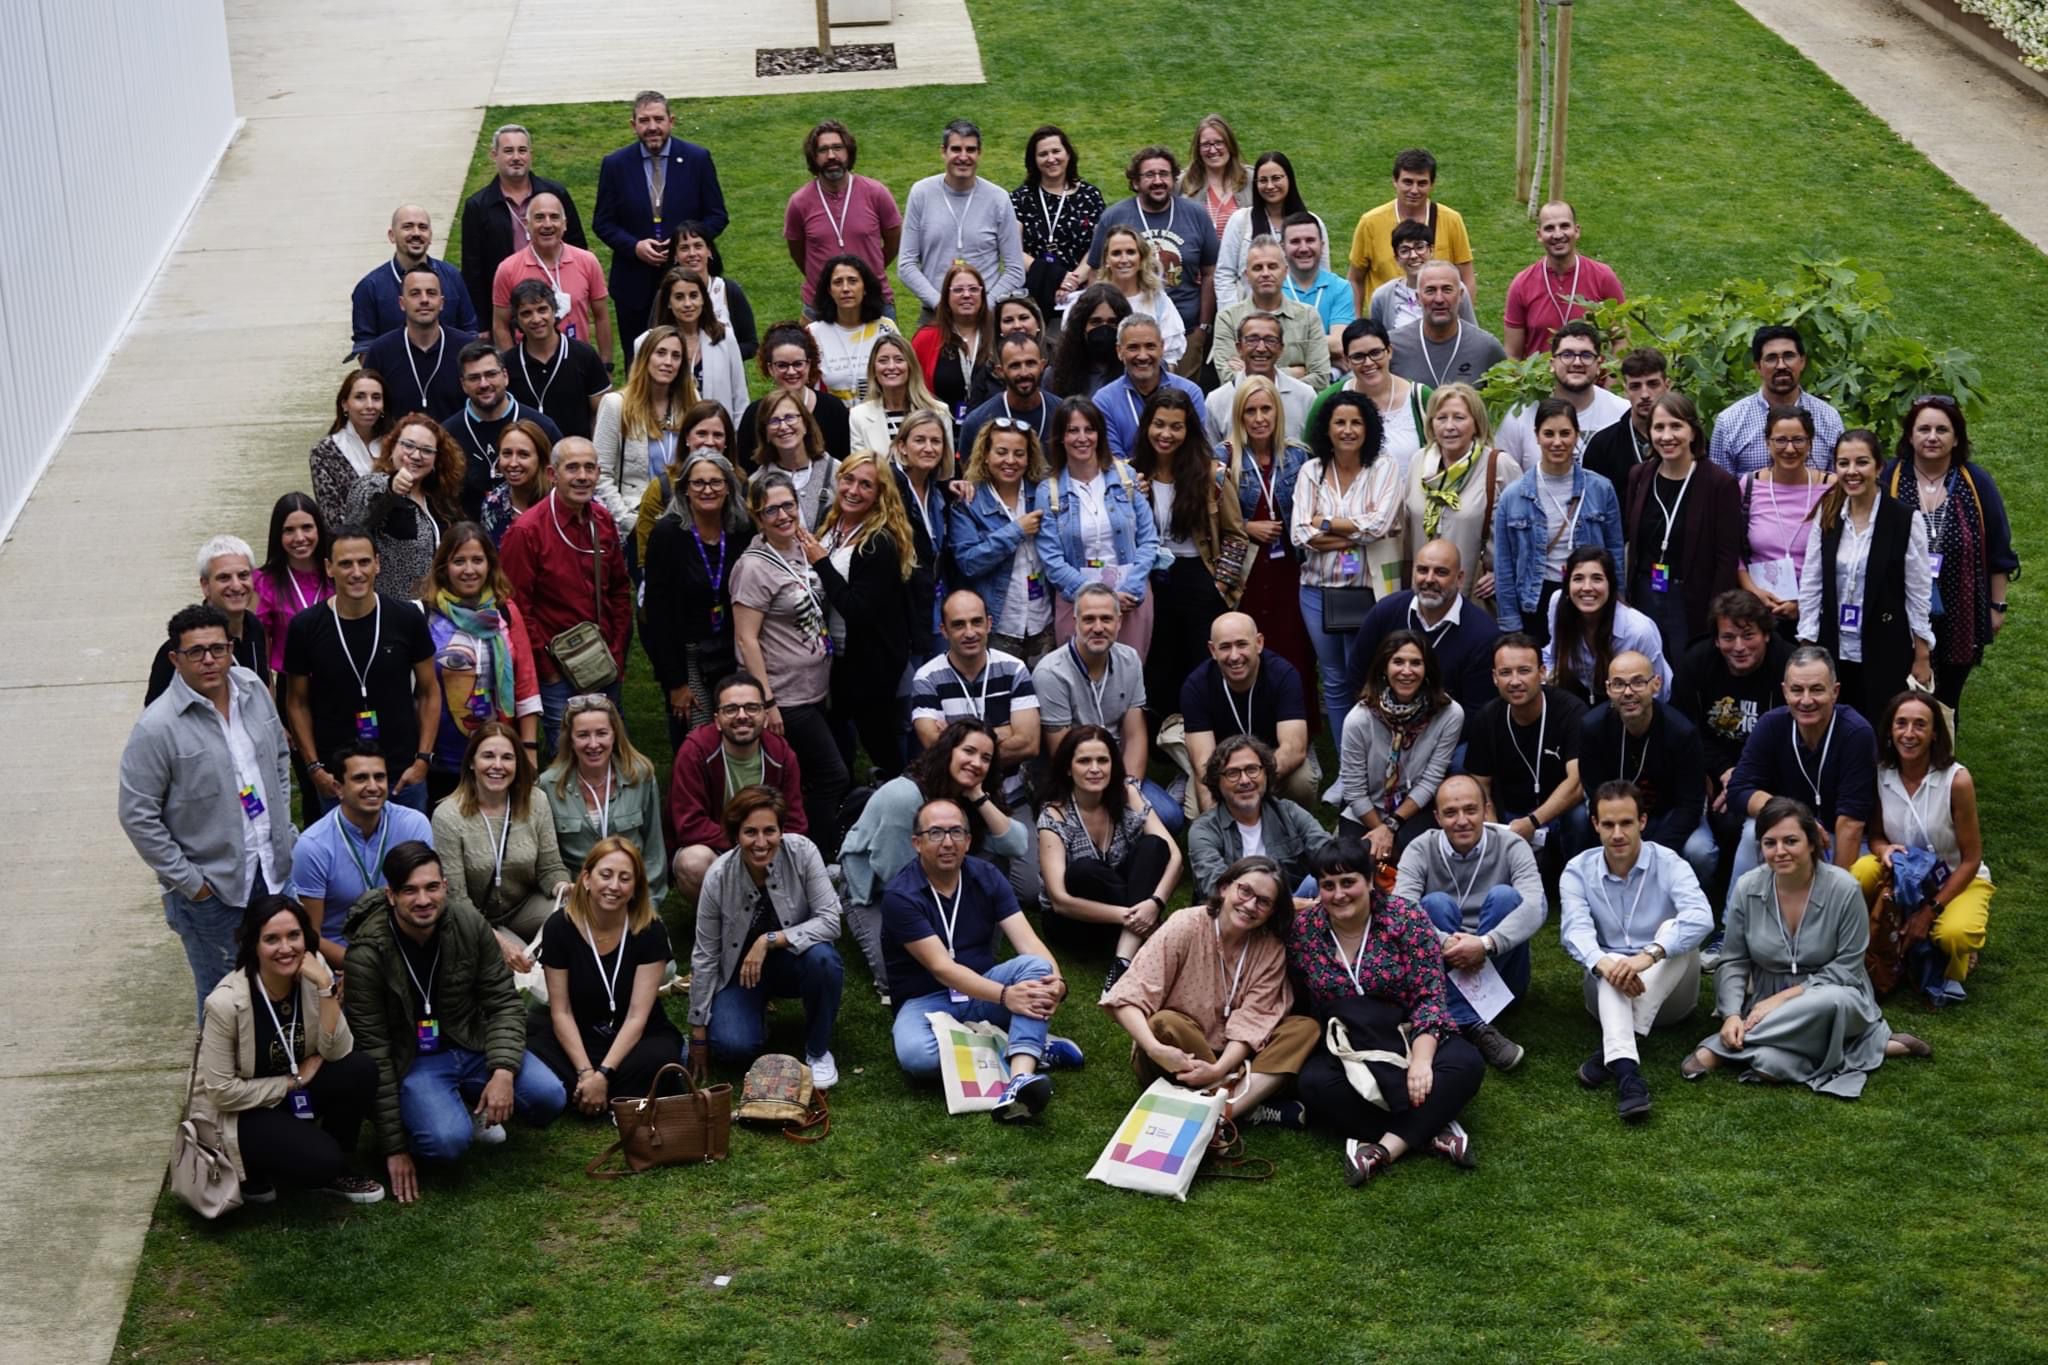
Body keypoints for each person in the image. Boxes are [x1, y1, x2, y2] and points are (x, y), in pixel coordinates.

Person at [342, 841, 565, 1203]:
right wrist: (394, 1148)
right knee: (446, 1142)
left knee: (549, 1096)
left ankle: (464, 1101)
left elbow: (504, 1002)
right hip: (414, 1060)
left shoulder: (468, 922)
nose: (423, 900)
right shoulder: (367, 953)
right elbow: (375, 1052)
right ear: (390, 895)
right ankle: (435, 1116)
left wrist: (503, 1071)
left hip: (472, 1041)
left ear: (445, 886)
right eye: (410, 890)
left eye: (432, 887)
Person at [121, 604, 297, 1020]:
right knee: (223, 1002)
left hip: (274, 871)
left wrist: (285, 830)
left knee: (284, 989)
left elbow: (278, 759)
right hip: (214, 891)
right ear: (175, 659)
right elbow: (137, 815)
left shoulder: (253, 689)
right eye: (196, 652)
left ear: (231, 648)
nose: (209, 660)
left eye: (218, 649)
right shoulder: (157, 727)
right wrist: (192, 883)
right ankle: (218, 1067)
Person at [1686, 797, 1928, 1094]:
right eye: (1770, 843)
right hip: (1766, 996)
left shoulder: (1845, 888)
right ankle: (1869, 1046)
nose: (1780, 851)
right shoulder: (1747, 887)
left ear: (1812, 843)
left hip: (1836, 994)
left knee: (1832, 1001)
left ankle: (1722, 1049)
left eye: (1791, 841)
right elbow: (1734, 960)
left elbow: (1848, 968)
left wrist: (1782, 999)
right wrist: (1732, 1014)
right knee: (1770, 1066)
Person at [1286, 837, 1485, 1184]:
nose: (1338, 894)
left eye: (1348, 882)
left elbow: (1429, 996)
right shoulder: (1305, 931)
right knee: (1315, 1083)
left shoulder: (1406, 918)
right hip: (1347, 1044)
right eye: (1328, 885)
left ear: (1368, 880)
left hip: (1405, 1033)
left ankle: (1382, 1148)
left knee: (1466, 1063)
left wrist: (1421, 1062)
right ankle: (1432, 1127)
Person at [882, 795, 1084, 1124]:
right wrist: (1005, 996)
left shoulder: (986, 875)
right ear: (917, 843)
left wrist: (1057, 983)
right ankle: (1028, 1044)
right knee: (917, 1057)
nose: (948, 842)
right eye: (936, 833)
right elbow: (942, 968)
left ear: (968, 840)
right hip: (925, 1001)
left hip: (982, 989)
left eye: (956, 832)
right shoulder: (900, 895)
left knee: (1038, 968)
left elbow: (1028, 942)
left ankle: (1019, 1078)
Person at [190, 896, 384, 1205]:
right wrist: (293, 1082)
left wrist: (326, 987)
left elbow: (338, 1052)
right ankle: (252, 1167)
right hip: (245, 1111)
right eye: (272, 939)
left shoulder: (314, 973)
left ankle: (335, 1166)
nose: (286, 948)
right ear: (253, 944)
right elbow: (221, 1092)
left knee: (359, 1069)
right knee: (321, 1160)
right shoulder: (225, 1004)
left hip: (292, 1095)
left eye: (294, 935)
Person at [1104, 853, 1321, 1124]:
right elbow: (1128, 997)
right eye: (1245, 891)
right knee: (1164, 1023)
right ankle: (1242, 1100)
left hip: (1233, 1054)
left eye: (1263, 902)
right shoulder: (1186, 924)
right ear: (1224, 887)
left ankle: (1222, 1109)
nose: (1250, 905)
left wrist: (1218, 1068)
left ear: (1272, 911)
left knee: (1304, 1028)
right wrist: (1154, 1049)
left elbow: (1253, 1020)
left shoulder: (1270, 948)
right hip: (1181, 1052)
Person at [1560, 781, 1714, 1121]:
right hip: (1606, 993)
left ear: (1642, 821)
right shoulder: (1577, 870)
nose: (1618, 834)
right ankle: (1628, 1073)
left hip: (1672, 995)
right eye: (1608, 824)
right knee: (1609, 960)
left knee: (1676, 931)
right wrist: (1607, 964)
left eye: (1626, 823)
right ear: (1595, 824)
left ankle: (1613, 1053)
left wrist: (1648, 956)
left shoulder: (1670, 862)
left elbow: (1702, 917)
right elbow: (1575, 931)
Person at [841, 720, 1034, 991]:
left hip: (941, 876)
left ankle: (980, 956)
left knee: (997, 859)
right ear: (948, 751)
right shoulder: (904, 796)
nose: (976, 763)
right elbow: (897, 877)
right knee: (897, 977)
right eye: (968, 751)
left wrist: (978, 796)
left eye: (986, 758)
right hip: (878, 888)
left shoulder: (971, 795)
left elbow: (1017, 845)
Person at [690, 786, 844, 1085]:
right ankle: (754, 1019)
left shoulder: (803, 852)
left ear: (781, 831)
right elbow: (705, 954)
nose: (761, 842)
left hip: (795, 960)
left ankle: (818, 1050)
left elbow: (830, 921)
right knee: (731, 1047)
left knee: (824, 959)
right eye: (750, 832)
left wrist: (769, 940)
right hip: (741, 973)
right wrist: (697, 1028)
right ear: (736, 835)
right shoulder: (718, 877)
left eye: (769, 831)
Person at [731, 472, 851, 849]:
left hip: (818, 689)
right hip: (785, 696)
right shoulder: (753, 567)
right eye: (772, 510)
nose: (783, 515)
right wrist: (767, 702)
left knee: (807, 777)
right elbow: (746, 639)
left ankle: (801, 846)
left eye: (789, 505)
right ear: (758, 517)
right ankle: (817, 852)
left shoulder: (804, 547)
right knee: (832, 774)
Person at [282, 528, 439, 817]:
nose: (356, 572)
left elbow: (429, 691)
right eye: (345, 564)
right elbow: (297, 702)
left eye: (364, 562)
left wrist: (422, 760)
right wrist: (314, 768)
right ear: (329, 568)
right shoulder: (305, 627)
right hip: (338, 779)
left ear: (377, 563)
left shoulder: (406, 618)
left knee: (410, 846)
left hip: (402, 775)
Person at [1394, 775, 1546, 1071]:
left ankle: (1445, 1015)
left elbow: (1536, 905)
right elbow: (1401, 910)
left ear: (1486, 810)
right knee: (1435, 904)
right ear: (1437, 817)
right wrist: (1445, 942)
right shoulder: (1420, 848)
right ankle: (1475, 1024)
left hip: (1503, 972)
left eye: (1470, 810)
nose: (1462, 820)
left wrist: (1486, 944)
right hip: (1444, 961)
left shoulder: (1512, 844)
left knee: (1506, 898)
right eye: (1451, 813)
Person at [1881, 394, 2019, 718]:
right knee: (1898, 696)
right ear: (1910, 435)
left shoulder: (1976, 482)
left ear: (1956, 438)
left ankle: (1944, 747)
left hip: (1961, 612)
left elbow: (1999, 549)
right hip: (1899, 609)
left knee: (1946, 700)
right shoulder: (1890, 478)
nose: (1932, 437)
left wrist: (1997, 606)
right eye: (1923, 429)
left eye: (1942, 430)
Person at [1850, 692, 1993, 996]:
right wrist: (1883, 850)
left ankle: (1959, 951)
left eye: (1920, 725)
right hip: (1902, 876)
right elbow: (1876, 835)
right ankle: (1872, 945)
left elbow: (1971, 859)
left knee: (1953, 935)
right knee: (1861, 871)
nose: (1909, 733)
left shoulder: (1957, 780)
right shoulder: (1880, 773)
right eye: (1901, 723)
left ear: (1935, 733)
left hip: (1957, 879)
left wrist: (1929, 911)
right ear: (1890, 730)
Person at [531, 837, 687, 1113]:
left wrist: (603, 1073)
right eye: (606, 875)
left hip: (635, 1037)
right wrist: (585, 1072)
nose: (614, 886)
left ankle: (594, 1093)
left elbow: (637, 1017)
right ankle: (606, 1093)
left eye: (625, 878)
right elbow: (561, 1012)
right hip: (580, 1035)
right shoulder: (559, 927)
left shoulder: (650, 930)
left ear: (636, 887)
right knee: (536, 1052)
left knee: (659, 1058)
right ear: (586, 879)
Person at [498, 438, 632, 751]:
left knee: (610, 753)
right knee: (568, 758)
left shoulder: (603, 521)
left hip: (603, 663)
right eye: (572, 468)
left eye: (589, 468)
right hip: (557, 671)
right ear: (552, 474)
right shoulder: (527, 531)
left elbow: (619, 591)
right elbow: (516, 608)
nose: (582, 476)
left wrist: (616, 652)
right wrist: (548, 671)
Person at [1724, 646, 1880, 906]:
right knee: (1754, 831)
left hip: (1838, 839)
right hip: (1791, 833)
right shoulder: (1771, 725)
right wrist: (1794, 818)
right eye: (1797, 690)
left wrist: (1833, 898)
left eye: (1816, 689)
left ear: (1835, 692)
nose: (1806, 700)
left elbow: (1851, 824)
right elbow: (1738, 789)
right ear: (1785, 691)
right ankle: (1734, 921)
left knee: (1861, 872)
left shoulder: (1856, 733)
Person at [1798, 429, 1934, 722]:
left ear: (1879, 467)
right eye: (1843, 463)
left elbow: (1918, 591)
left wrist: (1922, 653)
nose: (1852, 471)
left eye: (1861, 462)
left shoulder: (1904, 519)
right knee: (1835, 726)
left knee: (1880, 727)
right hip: (1834, 645)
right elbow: (1812, 581)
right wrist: (1807, 642)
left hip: (1885, 645)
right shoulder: (1828, 512)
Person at [1291, 390, 1402, 741]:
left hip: (1368, 590)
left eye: (1356, 422)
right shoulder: (1311, 471)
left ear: (1368, 428)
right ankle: (1345, 760)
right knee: (1334, 679)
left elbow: (1380, 525)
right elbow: (1299, 533)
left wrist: (1325, 523)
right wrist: (1356, 536)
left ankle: (1372, 754)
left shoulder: (1383, 467)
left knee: (1365, 676)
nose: (1348, 430)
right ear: (1327, 428)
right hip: (1316, 590)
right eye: (1340, 422)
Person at [1037, 725, 1182, 987]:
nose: (1095, 769)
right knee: (1084, 870)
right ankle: (1148, 935)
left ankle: (1122, 961)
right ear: (1068, 768)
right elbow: (1060, 901)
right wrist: (1133, 916)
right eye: (1084, 761)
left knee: (1154, 845)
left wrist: (1155, 903)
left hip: (1125, 904)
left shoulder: (1128, 794)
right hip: (1076, 921)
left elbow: (1174, 856)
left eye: (1103, 760)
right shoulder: (1054, 815)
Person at [802, 449, 917, 780]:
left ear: (880, 493)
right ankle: (843, 797)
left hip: (870, 664)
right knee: (838, 738)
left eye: (866, 485)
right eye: (848, 480)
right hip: (835, 655)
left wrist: (821, 563)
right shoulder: (832, 522)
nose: (853, 490)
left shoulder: (878, 542)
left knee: (878, 741)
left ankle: (903, 795)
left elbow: (857, 610)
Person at [1127, 387, 1243, 713]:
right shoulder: (1129, 474)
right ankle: (1158, 732)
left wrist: (1220, 585)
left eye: (1176, 426)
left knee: (1200, 665)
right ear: (1146, 426)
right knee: (1155, 664)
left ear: (1188, 430)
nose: (1166, 434)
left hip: (1198, 577)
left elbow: (1236, 535)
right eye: (1159, 424)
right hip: (1148, 579)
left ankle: (1202, 728)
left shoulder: (1211, 474)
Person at [1032, 583, 1180, 828]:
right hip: (1073, 776)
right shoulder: (1051, 673)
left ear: (1119, 622)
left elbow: (1135, 736)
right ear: (1075, 622)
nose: (1098, 628)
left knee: (1169, 816)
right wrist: (1101, 798)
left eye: (1106, 619)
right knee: (1095, 824)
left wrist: (1128, 790)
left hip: (1119, 770)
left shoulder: (1129, 660)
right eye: (1089, 619)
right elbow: (1062, 752)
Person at [593, 90, 728, 354]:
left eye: (658, 119)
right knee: (639, 357)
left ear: (671, 121)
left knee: (692, 353)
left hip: (688, 282)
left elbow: (717, 215)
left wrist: (685, 244)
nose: (652, 127)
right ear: (633, 125)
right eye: (644, 120)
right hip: (634, 284)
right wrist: (634, 247)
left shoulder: (697, 159)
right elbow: (603, 222)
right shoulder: (615, 165)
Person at [419, 523, 541, 800]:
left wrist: (529, 750)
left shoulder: (505, 611)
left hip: (499, 757)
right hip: (441, 758)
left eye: (477, 560)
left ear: (489, 564)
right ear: (444, 566)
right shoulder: (425, 615)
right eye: (459, 561)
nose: (469, 570)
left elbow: (526, 684)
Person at [1216, 377, 1316, 711]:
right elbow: (1211, 521)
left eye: (1266, 409)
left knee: (1293, 645)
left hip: (1289, 569)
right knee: (1248, 645)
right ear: (1239, 416)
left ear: (1278, 412)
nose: (1259, 418)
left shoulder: (1298, 456)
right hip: (1247, 572)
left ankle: (1298, 721)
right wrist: (1247, 527)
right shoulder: (1224, 456)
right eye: (1250, 411)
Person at [434, 722, 568, 970]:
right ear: (472, 762)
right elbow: (456, 901)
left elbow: (550, 867)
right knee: (520, 964)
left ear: (517, 764)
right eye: (488, 756)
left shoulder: (536, 801)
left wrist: (564, 887)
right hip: (473, 916)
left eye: (507, 757)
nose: (498, 765)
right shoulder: (448, 816)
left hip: (523, 907)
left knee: (574, 918)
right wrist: (500, 942)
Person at [1492, 399, 1627, 646]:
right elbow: (1504, 565)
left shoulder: (1601, 489)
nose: (1557, 442)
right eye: (1549, 434)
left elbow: (1615, 551)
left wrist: (1618, 602)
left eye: (1565, 433)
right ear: (1536, 436)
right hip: (1536, 597)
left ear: (1576, 435)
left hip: (1589, 594)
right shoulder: (1513, 496)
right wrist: (1511, 623)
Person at [1578, 650, 1716, 890]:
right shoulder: (1592, 728)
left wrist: (1651, 852)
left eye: (1638, 682)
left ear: (1656, 684)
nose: (1628, 692)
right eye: (1619, 684)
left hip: (1670, 815)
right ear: (1608, 689)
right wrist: (1623, 831)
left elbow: (1690, 806)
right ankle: (1593, 887)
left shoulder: (1682, 733)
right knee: (1580, 817)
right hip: (1618, 817)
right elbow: (1595, 793)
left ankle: (1687, 899)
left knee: (1700, 851)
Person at [1677, 590, 1792, 874]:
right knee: (1717, 824)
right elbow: (1685, 730)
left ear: (1766, 634)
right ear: (1716, 640)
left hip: (1770, 777)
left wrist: (1744, 779)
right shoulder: (1696, 662)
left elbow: (1793, 737)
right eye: (1728, 638)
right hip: (1712, 773)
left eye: (1748, 635)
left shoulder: (1789, 665)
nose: (1739, 647)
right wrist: (1723, 770)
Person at [290, 742, 434, 967]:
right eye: (360, 778)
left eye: (379, 777)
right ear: (338, 788)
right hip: (341, 958)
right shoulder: (313, 846)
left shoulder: (413, 825)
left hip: (405, 949)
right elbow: (310, 935)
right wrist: (363, 968)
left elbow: (427, 899)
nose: (373, 787)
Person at [1624, 390, 1742, 665]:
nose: (1667, 436)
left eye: (1676, 426)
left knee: (1686, 670)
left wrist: (1717, 613)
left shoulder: (1719, 483)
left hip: (1692, 599)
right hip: (1645, 591)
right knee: (1646, 667)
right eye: (1659, 427)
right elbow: (1631, 537)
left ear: (1693, 431)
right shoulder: (1639, 476)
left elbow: (1727, 558)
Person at [667, 671, 809, 900]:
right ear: (717, 720)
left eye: (752, 708)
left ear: (765, 716)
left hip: (767, 844)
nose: (742, 716)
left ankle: (768, 911)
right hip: (715, 846)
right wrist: (745, 842)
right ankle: (720, 917)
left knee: (800, 852)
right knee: (693, 862)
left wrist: (763, 844)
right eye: (731, 709)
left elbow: (795, 822)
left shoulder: (782, 754)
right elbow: (689, 824)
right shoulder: (694, 752)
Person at [643, 449, 752, 740]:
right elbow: (657, 614)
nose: (707, 490)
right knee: (698, 736)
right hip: (689, 655)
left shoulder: (742, 530)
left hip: (733, 650)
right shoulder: (667, 535)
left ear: (728, 487)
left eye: (716, 482)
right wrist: (675, 682)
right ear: (685, 490)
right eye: (698, 483)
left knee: (738, 730)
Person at [1036, 398, 1159, 649]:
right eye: (1073, 430)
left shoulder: (1126, 477)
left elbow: (1149, 540)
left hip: (1130, 599)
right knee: (1079, 670)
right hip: (1077, 604)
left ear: (1100, 434)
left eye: (1089, 429)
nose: (1082, 438)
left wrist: (1131, 588)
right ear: (1060, 437)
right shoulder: (1048, 491)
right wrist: (1097, 598)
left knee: (1128, 668)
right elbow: (1051, 558)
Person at [1082, 146, 1220, 365]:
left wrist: (1203, 328)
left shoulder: (1196, 215)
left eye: (1164, 174)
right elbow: (1095, 272)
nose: (1158, 181)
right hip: (1123, 337)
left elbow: (1211, 273)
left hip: (1185, 332)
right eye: (1149, 175)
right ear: (1136, 182)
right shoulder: (1114, 217)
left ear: (1174, 179)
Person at [1340, 630, 1465, 860]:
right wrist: (1381, 830)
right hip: (1366, 808)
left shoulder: (1450, 714)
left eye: (1416, 663)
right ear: (1384, 668)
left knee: (1415, 852)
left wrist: (1392, 825)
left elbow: (1431, 780)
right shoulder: (1358, 720)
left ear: (1427, 669)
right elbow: (1354, 791)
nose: (1407, 671)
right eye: (1398, 662)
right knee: (1356, 860)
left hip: (1417, 806)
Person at [1346, 537, 1502, 717]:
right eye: (1422, 570)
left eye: (1441, 572)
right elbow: (1357, 674)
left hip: (1449, 731)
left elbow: (1478, 711)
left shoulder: (1483, 635)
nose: (1429, 579)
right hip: (1382, 721)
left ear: (1459, 579)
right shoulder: (1386, 612)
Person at [1463, 634, 1587, 859]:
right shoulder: (1487, 717)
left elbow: (1576, 783)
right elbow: (1480, 786)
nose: (1515, 681)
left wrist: (1533, 821)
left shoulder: (1570, 711)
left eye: (1524, 671)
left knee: (1580, 816)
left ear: (1542, 672)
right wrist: (1495, 831)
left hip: (1558, 812)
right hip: (1510, 816)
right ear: (1494, 677)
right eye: (1505, 673)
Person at [912, 590, 1042, 802]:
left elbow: (1029, 744)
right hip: (954, 800)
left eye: (976, 622)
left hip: (1011, 798)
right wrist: (1004, 732)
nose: (970, 632)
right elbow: (935, 749)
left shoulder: (1014, 669)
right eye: (959, 625)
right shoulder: (927, 677)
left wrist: (955, 739)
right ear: (944, 631)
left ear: (989, 624)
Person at [539, 693, 666, 905]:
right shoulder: (549, 786)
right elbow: (548, 860)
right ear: (570, 740)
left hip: (631, 894)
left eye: (601, 733)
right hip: (576, 898)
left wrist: (647, 902)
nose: (593, 744)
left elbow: (654, 851)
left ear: (614, 734)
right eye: (583, 735)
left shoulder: (640, 777)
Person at [897, 118, 1027, 325]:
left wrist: (985, 305)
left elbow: (1015, 270)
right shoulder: (921, 194)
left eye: (971, 150)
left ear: (979, 153)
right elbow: (906, 265)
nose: (963, 157)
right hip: (935, 316)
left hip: (985, 318)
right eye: (956, 149)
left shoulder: (998, 199)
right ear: (943, 151)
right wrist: (940, 304)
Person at [1182, 612, 1316, 810]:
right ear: (1212, 650)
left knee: (1301, 782)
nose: (1234, 656)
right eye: (1225, 647)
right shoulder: (1196, 686)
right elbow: (1204, 764)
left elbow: (1294, 748)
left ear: (1259, 643)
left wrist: (1251, 782)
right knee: (1197, 813)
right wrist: (1215, 813)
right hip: (1222, 767)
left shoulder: (1283, 675)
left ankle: (1291, 825)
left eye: (1242, 644)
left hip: (1271, 761)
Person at [460, 122, 590, 326]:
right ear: (494, 155)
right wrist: (483, 322)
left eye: (522, 150)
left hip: (556, 296)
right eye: (508, 151)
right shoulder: (478, 206)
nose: (516, 157)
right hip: (507, 303)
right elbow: (472, 269)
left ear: (530, 154)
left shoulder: (555, 194)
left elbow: (577, 244)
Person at [1403, 387, 1517, 614]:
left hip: (1475, 595)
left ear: (1476, 423)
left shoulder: (1498, 465)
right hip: (1424, 595)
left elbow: (1525, 531)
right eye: (1441, 418)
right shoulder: (1419, 462)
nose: (1449, 426)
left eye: (1459, 417)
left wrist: (1504, 573)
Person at [948, 424, 1055, 664]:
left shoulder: (1044, 494)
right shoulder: (968, 502)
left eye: (1019, 453)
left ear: (1029, 458)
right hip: (999, 624)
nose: (1010, 461)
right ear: (985, 455)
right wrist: (1016, 531)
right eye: (1001, 452)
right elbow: (969, 563)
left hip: (1044, 620)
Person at [1187, 734, 1331, 898]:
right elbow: (1218, 889)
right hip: (1237, 908)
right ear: (1217, 782)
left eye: (1252, 770)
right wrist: (1287, 906)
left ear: (1266, 774)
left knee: (1322, 879)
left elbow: (1329, 855)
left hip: (1296, 901)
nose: (1245, 780)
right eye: (1233, 773)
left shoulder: (1289, 812)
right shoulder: (1204, 830)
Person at [785, 119, 901, 320]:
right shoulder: (799, 202)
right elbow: (798, 252)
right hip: (820, 305)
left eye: (838, 148)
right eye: (823, 150)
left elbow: (894, 240)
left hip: (873, 301)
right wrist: (825, 278)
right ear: (813, 157)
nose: (831, 156)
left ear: (849, 152)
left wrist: (868, 271)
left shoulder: (876, 193)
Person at [592, 325, 697, 537]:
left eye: (676, 356)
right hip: (636, 518)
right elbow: (600, 473)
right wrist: (628, 522)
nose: (668, 362)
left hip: (685, 520)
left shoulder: (691, 402)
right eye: (661, 353)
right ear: (645, 357)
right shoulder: (615, 404)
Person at [489, 192, 611, 372]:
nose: (547, 224)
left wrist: (606, 366)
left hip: (579, 364)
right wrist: (513, 369)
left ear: (565, 224)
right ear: (527, 224)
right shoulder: (508, 269)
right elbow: (500, 325)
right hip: (531, 367)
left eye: (554, 217)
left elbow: (602, 317)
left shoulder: (587, 262)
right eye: (539, 218)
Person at [346, 413, 464, 598]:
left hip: (437, 606)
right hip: (391, 607)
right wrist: (391, 488)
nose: (416, 455)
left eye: (427, 450)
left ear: (436, 459)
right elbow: (358, 518)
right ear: (392, 448)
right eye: (408, 445)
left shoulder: (441, 501)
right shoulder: (371, 485)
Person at [1346, 148, 1477, 312]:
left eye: (1422, 183)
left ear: (1432, 184)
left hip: (1438, 320)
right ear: (1395, 181)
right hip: (1387, 320)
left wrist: (1462, 319)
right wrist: (1355, 322)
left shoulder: (1451, 220)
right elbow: (1355, 279)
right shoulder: (1370, 223)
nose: (1414, 190)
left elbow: (1466, 277)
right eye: (1408, 182)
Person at [143, 535, 269, 705]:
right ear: (205, 586)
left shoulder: (255, 627)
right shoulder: (179, 649)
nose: (236, 586)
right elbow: (155, 715)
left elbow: (264, 684)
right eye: (224, 578)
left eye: (243, 575)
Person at [443, 342, 564, 519]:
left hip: (536, 525)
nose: (484, 384)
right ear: (463, 384)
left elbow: (563, 479)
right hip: (469, 531)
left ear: (505, 376)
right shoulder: (448, 434)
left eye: (491, 374)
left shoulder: (542, 426)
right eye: (474, 378)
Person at [1735, 405, 1830, 627]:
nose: (1789, 448)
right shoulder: (1749, 485)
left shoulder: (1831, 488)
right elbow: (1732, 549)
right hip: (1758, 611)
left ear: (1810, 443)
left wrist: (1804, 603)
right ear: (1767, 442)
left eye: (1798, 440)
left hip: (1817, 610)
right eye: (1780, 440)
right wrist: (1753, 591)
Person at [1307, 319, 1430, 487]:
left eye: (1375, 353)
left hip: (1411, 500)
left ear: (1389, 351)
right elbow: (1311, 458)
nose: (1368, 363)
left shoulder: (1420, 397)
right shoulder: (1329, 400)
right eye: (1358, 357)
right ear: (1347, 360)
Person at [1707, 325, 1843, 476]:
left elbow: (1839, 484)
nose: (1781, 365)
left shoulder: (1829, 418)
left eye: (1789, 356)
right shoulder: (1729, 422)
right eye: (1771, 358)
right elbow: (1718, 486)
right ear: (1758, 366)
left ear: (1802, 361)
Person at [1544, 547, 1674, 703]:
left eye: (1597, 579)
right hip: (1580, 692)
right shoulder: (1558, 604)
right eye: (1578, 578)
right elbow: (1552, 655)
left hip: (1630, 701)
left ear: (1611, 585)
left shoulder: (1638, 630)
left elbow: (1658, 692)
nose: (1587, 587)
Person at [1494, 321, 1629, 468]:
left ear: (1599, 365)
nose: (1577, 362)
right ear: (1552, 364)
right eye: (1567, 355)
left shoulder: (1623, 413)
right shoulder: (1521, 416)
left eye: (1586, 355)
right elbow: (1502, 472)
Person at [349, 205, 478, 357]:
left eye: (423, 227)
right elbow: (366, 349)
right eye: (407, 227)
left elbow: (470, 333)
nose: (416, 233)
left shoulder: (453, 277)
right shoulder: (370, 288)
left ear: (430, 236)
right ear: (392, 235)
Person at [1501, 201, 1626, 359]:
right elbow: (1512, 354)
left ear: (1577, 230)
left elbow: (1621, 341)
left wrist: (1609, 376)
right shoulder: (1521, 284)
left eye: (1564, 226)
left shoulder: (1603, 277)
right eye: (1549, 228)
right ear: (1539, 235)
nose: (1558, 235)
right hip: (1540, 375)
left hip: (1592, 374)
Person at [498, 280, 611, 442]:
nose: (536, 319)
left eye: (542, 310)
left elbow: (602, 414)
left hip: (576, 452)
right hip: (529, 453)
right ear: (517, 319)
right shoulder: (508, 363)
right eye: (526, 313)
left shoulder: (584, 355)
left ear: (554, 311)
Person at [357, 266, 476, 419]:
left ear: (442, 302)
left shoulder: (466, 348)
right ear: (402, 303)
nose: (424, 300)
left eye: (431, 293)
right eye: (415, 293)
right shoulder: (381, 351)